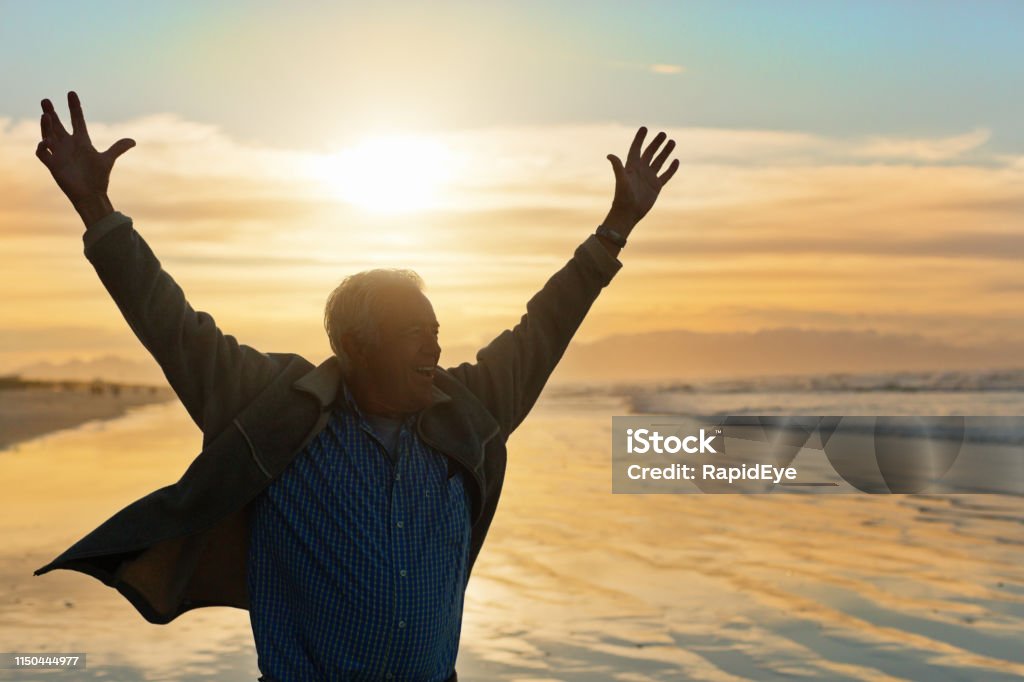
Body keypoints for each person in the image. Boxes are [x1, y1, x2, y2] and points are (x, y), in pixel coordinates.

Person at [33, 91, 679, 681]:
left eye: (435, 329)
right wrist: (95, 207)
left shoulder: (469, 412)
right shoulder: (274, 410)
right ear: (356, 347)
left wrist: (616, 227)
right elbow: (170, 323)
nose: (435, 346)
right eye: (413, 334)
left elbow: (545, 326)